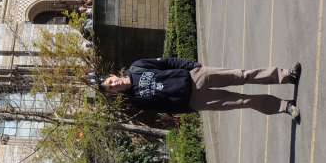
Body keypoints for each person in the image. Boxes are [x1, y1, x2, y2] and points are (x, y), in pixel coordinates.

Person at [100, 57, 301, 119]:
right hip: (195, 101)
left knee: (242, 75)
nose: (114, 85)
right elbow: (165, 108)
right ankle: (285, 106)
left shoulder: (138, 67)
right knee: (243, 101)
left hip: (195, 77)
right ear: (114, 93)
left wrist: (193, 67)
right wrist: (191, 108)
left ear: (113, 76)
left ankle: (285, 76)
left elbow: (167, 62)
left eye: (110, 82)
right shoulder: (135, 100)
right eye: (111, 89)